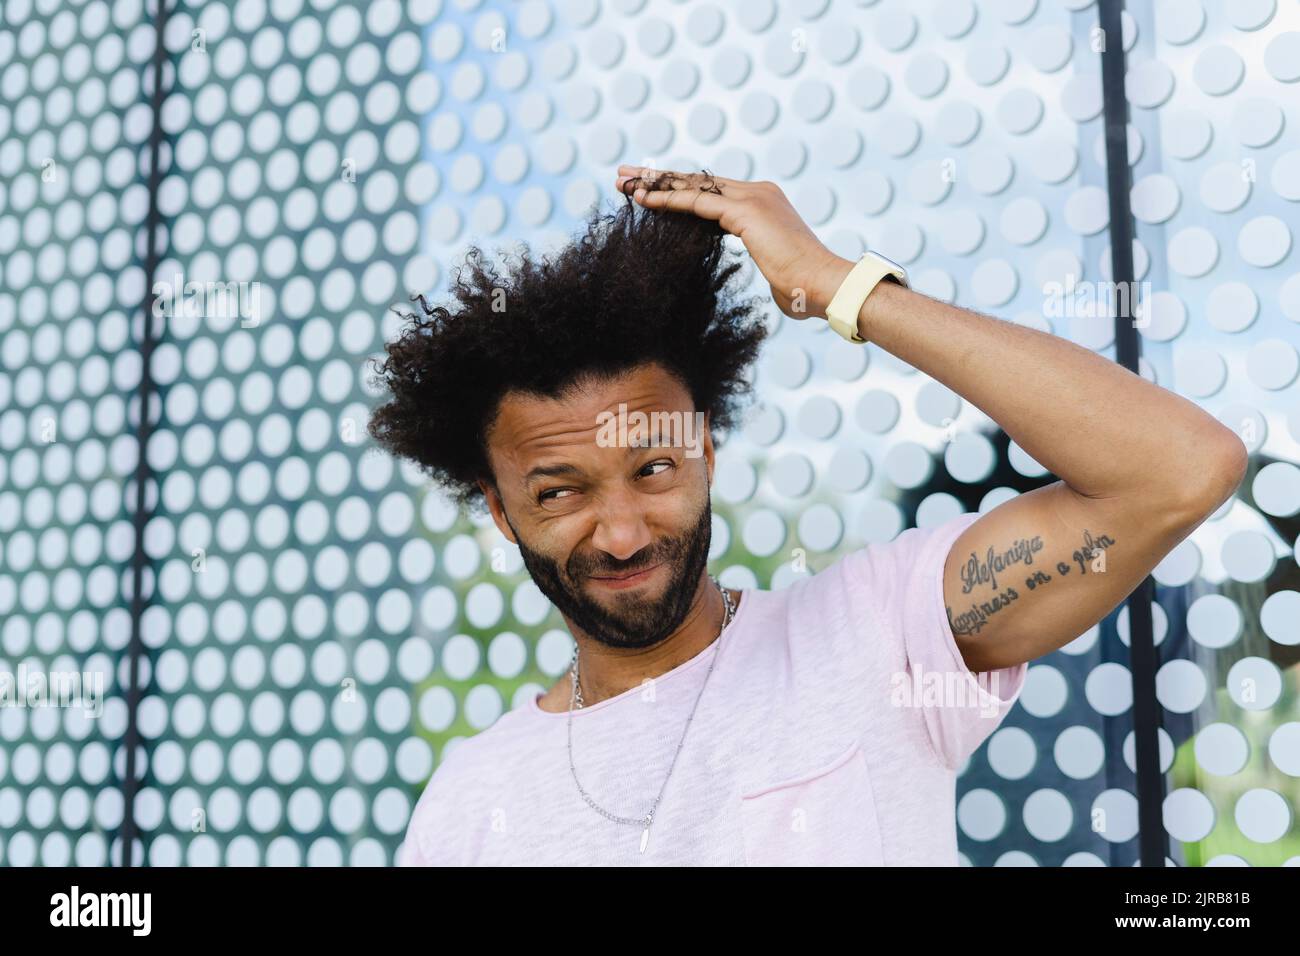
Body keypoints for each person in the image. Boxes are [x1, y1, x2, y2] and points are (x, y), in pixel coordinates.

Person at [367, 167, 1247, 865]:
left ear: (707, 453)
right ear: (500, 509)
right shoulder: (466, 801)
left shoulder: (877, 634)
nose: (625, 532)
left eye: (654, 468)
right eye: (559, 491)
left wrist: (840, 286)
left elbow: (1177, 468)